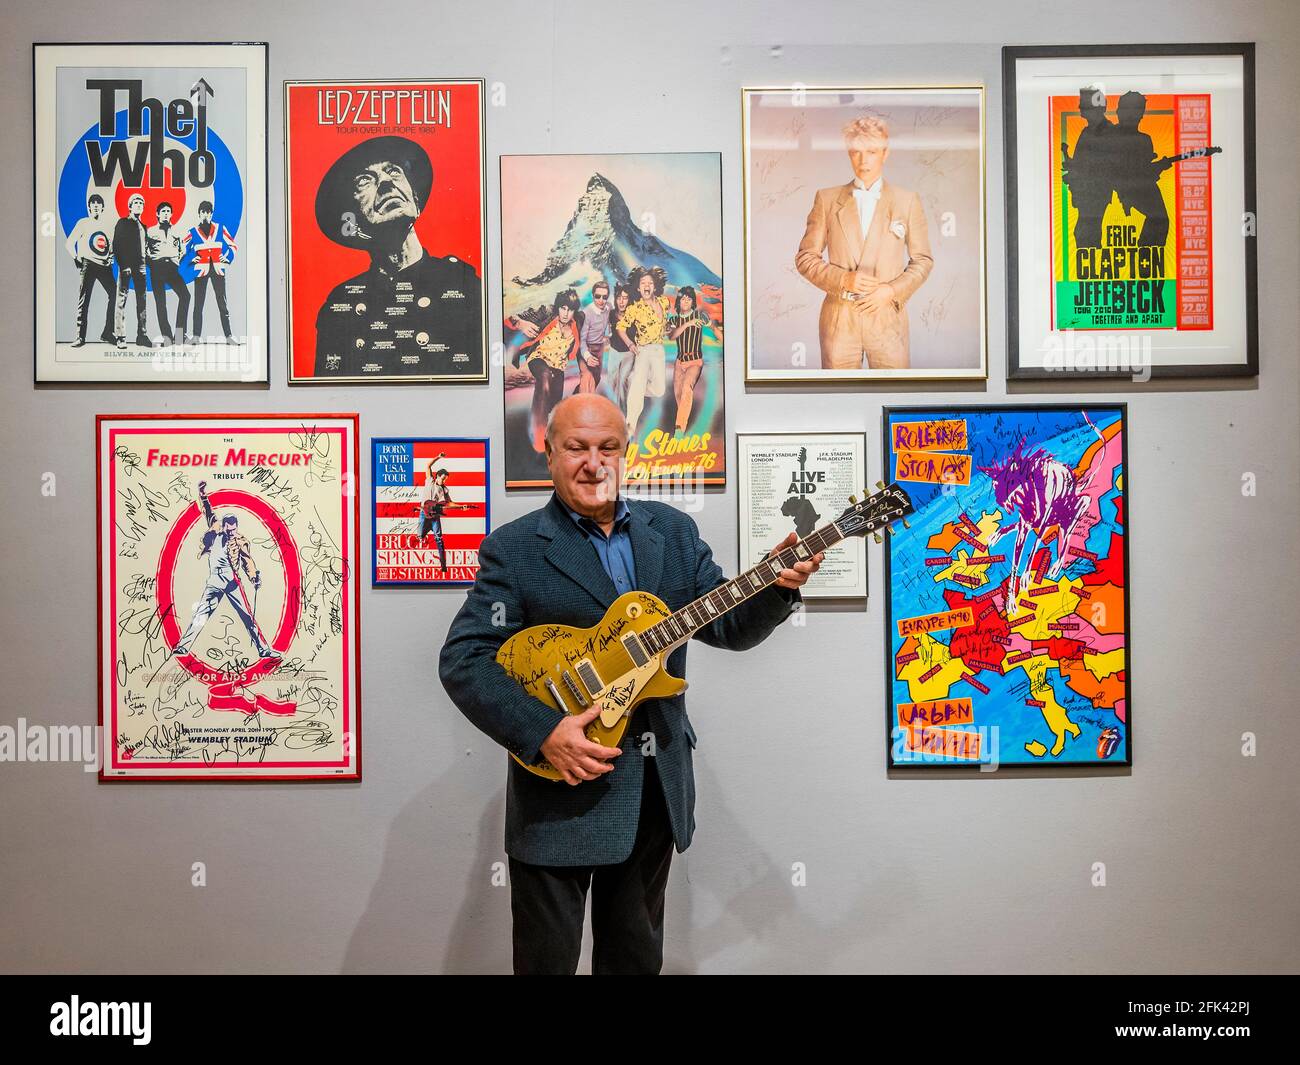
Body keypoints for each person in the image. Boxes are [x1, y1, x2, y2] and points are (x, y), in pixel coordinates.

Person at [439, 394, 823, 975]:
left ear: (626, 453)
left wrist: (777, 587)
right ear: (549, 452)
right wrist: (543, 732)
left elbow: (728, 628)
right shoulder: (515, 548)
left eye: (607, 447)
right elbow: (465, 658)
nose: (593, 463)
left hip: (651, 790)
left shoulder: (672, 532)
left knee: (636, 962)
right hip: (557, 794)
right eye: (576, 448)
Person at [312, 135, 482, 378]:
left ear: (416, 201)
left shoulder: (462, 283)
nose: (385, 182)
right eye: (364, 181)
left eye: (393, 171)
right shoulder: (341, 304)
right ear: (353, 220)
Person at [795, 114, 933, 371]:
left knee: (894, 400)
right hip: (839, 322)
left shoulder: (907, 201)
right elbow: (805, 258)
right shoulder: (826, 199)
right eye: (857, 152)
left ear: (885, 152)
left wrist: (891, 291)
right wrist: (843, 279)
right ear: (849, 152)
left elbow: (922, 260)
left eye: (871, 151)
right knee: (839, 402)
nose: (864, 160)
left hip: (888, 322)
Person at [173, 481, 280, 661]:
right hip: (214, 581)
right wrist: (203, 495)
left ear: (236, 527)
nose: (231, 532)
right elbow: (208, 511)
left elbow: (248, 562)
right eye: (228, 529)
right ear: (224, 526)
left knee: (247, 616)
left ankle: (264, 650)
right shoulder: (215, 531)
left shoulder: (240, 540)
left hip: (232, 583)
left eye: (233, 529)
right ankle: (183, 647)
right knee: (201, 614)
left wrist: (254, 578)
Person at [509, 290, 583, 453]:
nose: (566, 313)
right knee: (544, 378)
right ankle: (537, 432)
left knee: (554, 405)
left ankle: (549, 437)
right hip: (539, 358)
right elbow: (512, 317)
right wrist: (521, 323)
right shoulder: (548, 312)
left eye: (570, 310)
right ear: (558, 307)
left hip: (558, 366)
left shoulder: (579, 320)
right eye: (563, 308)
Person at [616, 266, 672, 437]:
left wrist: (667, 328)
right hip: (643, 351)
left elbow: (664, 324)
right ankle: (630, 426)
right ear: (638, 288)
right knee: (637, 389)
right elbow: (621, 327)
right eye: (643, 283)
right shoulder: (635, 309)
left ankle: (634, 383)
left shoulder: (664, 302)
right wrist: (630, 344)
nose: (646, 286)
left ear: (655, 286)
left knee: (660, 390)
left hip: (659, 351)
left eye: (650, 283)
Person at [64, 193, 116, 347]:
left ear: (102, 207)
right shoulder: (83, 223)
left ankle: (108, 332)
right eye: (92, 203)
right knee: (84, 299)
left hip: (103, 265)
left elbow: (111, 245)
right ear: (89, 207)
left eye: (98, 203)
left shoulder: (107, 226)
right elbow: (69, 243)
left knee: (115, 294)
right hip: (88, 264)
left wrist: (110, 257)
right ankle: (80, 337)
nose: (95, 205)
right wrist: (77, 258)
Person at [665, 285, 716, 435]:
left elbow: (711, 324)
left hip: (695, 361)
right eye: (683, 299)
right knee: (679, 395)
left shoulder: (698, 316)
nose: (686, 301)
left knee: (687, 388)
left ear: (692, 301)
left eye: (689, 299)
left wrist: (710, 324)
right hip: (679, 362)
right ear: (679, 301)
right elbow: (672, 335)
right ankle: (685, 422)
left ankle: (679, 430)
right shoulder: (674, 319)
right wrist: (687, 324)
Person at [187, 199, 238, 342]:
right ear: (199, 214)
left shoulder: (220, 228)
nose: (205, 215)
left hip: (217, 270)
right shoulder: (193, 232)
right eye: (203, 212)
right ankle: (196, 337)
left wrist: (227, 258)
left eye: (208, 212)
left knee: (222, 303)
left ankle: (229, 336)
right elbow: (182, 249)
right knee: (198, 304)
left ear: (211, 214)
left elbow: (233, 246)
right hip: (201, 271)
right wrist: (192, 257)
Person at [146, 201, 191, 345]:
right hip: (157, 268)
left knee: (185, 296)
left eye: (168, 211)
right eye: (163, 211)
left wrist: (175, 261)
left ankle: (179, 335)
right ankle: (167, 337)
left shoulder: (178, 231)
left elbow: (183, 250)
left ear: (171, 214)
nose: (166, 213)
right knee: (161, 303)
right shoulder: (150, 231)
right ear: (157, 214)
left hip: (172, 268)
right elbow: (144, 249)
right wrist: (152, 263)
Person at [112, 193, 151, 348]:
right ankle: (120, 337)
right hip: (127, 266)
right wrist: (123, 265)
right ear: (129, 206)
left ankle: (142, 335)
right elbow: (117, 245)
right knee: (121, 300)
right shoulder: (123, 222)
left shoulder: (144, 227)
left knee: (142, 301)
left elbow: (143, 248)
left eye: (141, 202)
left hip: (141, 267)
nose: (139, 204)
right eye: (136, 202)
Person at [419, 453, 454, 573]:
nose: (444, 480)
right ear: (438, 476)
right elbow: (428, 466)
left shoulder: (444, 489)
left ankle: (443, 566)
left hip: (435, 515)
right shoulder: (429, 481)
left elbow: (450, 503)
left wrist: (462, 506)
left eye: (446, 479)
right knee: (420, 536)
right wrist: (438, 457)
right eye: (443, 478)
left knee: (439, 539)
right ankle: (425, 531)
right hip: (424, 513)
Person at [576, 280, 612, 394]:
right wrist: (587, 357)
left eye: (604, 297)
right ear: (593, 296)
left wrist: (609, 335)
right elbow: (581, 341)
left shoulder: (609, 307)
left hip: (599, 348)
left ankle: (573, 399)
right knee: (586, 378)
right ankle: (582, 407)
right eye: (597, 296)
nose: (601, 300)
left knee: (596, 378)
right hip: (585, 349)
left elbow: (611, 322)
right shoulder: (586, 313)